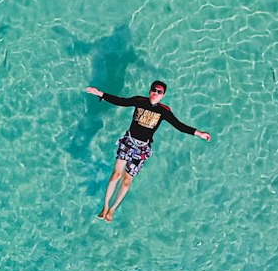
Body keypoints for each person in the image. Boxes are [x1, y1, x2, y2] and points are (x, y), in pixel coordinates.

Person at [84, 79, 211, 220]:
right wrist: (99, 93)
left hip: (142, 148)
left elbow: (179, 126)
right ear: (149, 91)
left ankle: (112, 209)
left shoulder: (164, 111)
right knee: (116, 175)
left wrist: (199, 133)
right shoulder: (140, 101)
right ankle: (105, 206)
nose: (155, 93)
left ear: (163, 95)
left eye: (159, 92)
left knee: (126, 181)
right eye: (154, 90)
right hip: (128, 141)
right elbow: (121, 101)